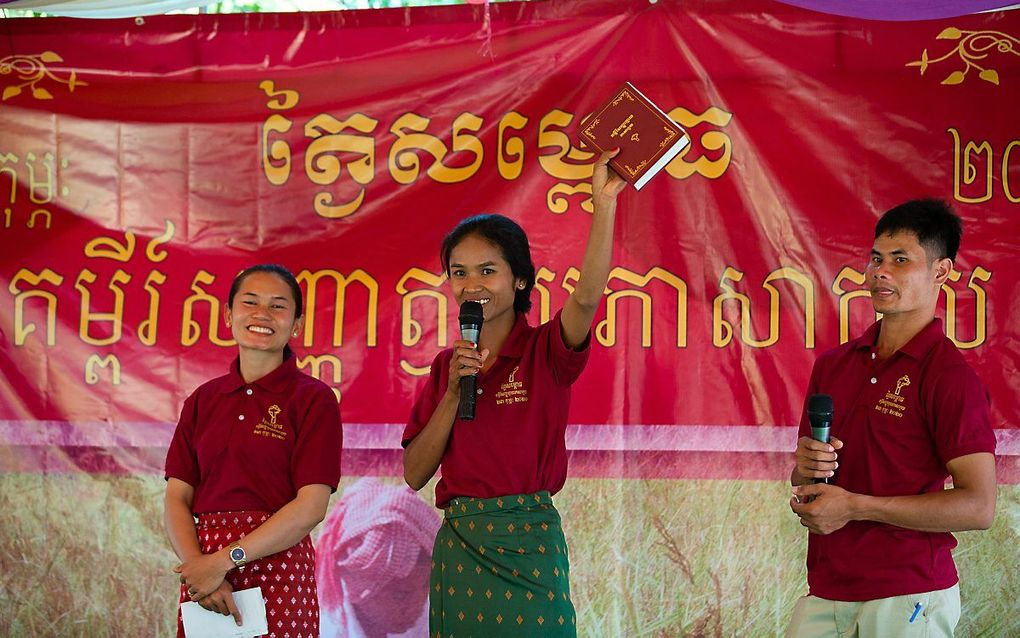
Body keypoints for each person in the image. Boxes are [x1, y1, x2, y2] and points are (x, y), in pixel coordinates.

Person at [401, 149, 626, 637]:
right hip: (461, 548)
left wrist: (603, 205)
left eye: (487, 270)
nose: (471, 285)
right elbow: (415, 473)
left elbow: (586, 297)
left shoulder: (545, 349)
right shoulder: (447, 366)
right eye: (458, 273)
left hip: (529, 544)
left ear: (519, 278)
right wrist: (452, 394)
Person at [787, 199, 997, 637]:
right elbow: (804, 475)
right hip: (826, 587)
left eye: (901, 260)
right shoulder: (834, 364)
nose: (880, 272)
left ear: (941, 272)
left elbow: (979, 506)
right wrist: (804, 468)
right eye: (876, 259)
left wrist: (857, 507)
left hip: (908, 593)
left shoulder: (949, 377)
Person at [164, 263, 343, 638]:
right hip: (204, 573)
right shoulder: (202, 400)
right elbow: (177, 499)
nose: (262, 314)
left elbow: (311, 505)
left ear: (296, 325)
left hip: (279, 565)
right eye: (250, 302)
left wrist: (226, 561)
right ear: (228, 315)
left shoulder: (313, 399)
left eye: (278, 306)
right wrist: (202, 568)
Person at [316, 477, 441, 637]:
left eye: (425, 586)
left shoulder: (430, 618)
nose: (417, 605)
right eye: (401, 594)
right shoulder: (325, 630)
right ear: (360, 589)